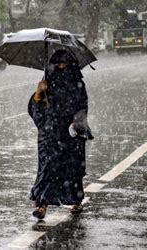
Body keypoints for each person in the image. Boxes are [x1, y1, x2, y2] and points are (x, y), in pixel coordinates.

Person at [28, 49, 93, 219]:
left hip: (71, 134)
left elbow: (82, 107)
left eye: (64, 64)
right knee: (47, 168)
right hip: (50, 134)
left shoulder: (77, 84)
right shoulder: (47, 83)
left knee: (72, 169)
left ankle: (76, 201)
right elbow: (36, 109)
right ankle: (42, 205)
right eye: (57, 65)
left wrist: (77, 123)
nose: (61, 67)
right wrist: (38, 92)